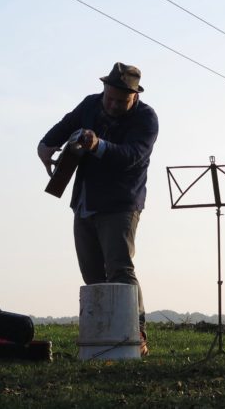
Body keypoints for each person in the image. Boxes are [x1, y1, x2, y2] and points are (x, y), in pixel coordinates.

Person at [38, 62, 159, 356]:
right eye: (110, 98)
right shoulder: (90, 104)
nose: (114, 105)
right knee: (92, 274)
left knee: (119, 268)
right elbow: (59, 129)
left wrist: (98, 145)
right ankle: (106, 336)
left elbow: (131, 156)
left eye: (121, 101)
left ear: (134, 97)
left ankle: (135, 335)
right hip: (85, 202)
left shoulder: (146, 119)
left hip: (120, 205)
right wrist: (44, 146)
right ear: (103, 90)